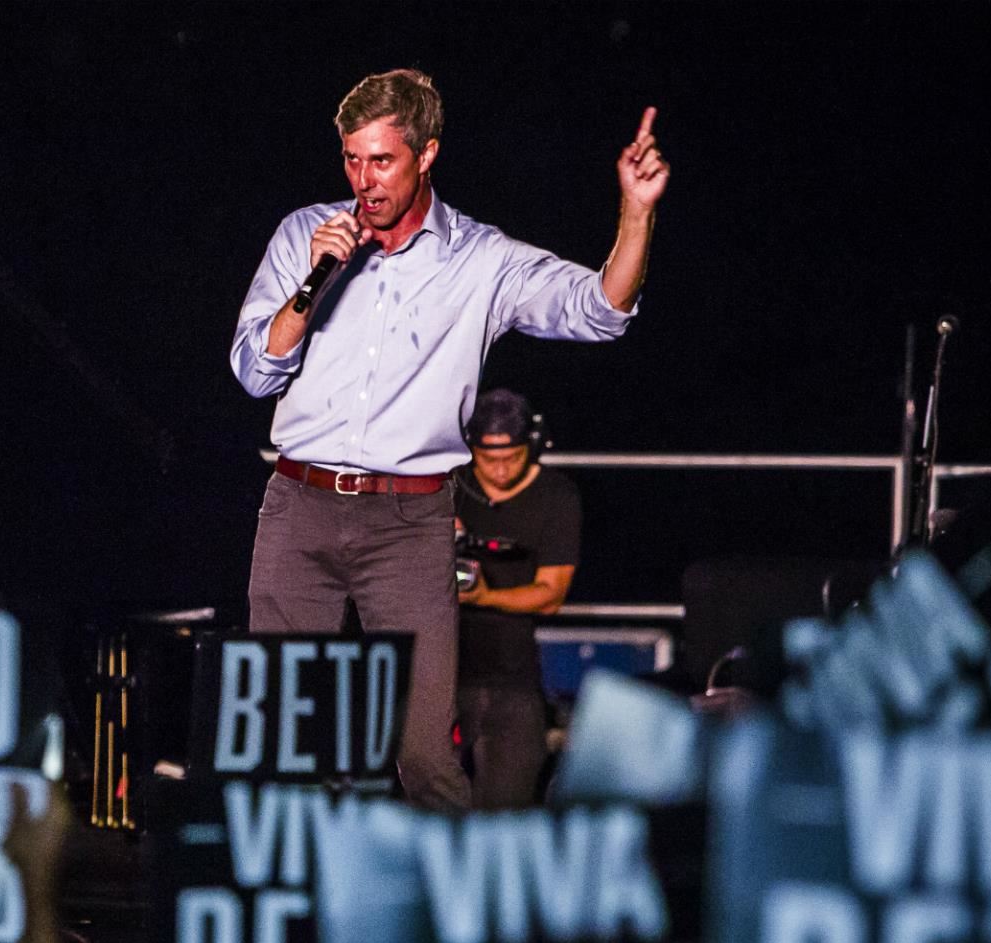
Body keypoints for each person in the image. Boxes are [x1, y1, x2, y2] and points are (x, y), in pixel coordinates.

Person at [230, 68, 669, 812]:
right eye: (351, 159)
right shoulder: (306, 234)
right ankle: (279, 915)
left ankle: (447, 919)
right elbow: (252, 372)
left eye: (382, 160)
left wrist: (635, 213)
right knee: (279, 738)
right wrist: (314, 282)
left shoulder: (481, 260)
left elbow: (600, 310)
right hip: (297, 507)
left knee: (424, 752)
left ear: (426, 154)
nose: (364, 181)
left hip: (409, 523)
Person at [454, 389, 579, 809]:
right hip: (442, 669)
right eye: (489, 458)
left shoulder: (556, 496)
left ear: (534, 446)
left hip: (514, 674)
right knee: (427, 801)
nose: (502, 468)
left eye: (513, 455)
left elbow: (551, 595)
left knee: (507, 810)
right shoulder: (446, 488)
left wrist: (486, 595)